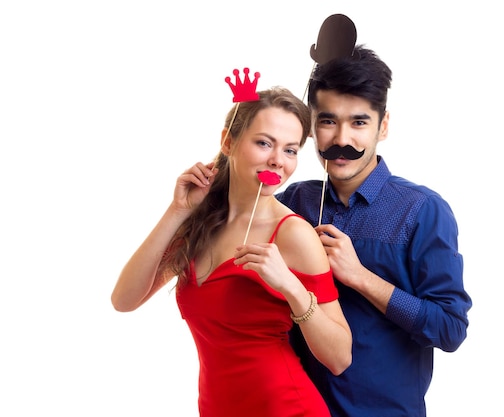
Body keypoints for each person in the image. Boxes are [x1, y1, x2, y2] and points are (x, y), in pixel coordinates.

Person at [111, 86, 352, 417]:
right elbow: (124, 300)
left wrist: (292, 288)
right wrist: (177, 210)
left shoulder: (293, 234)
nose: (277, 161)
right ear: (228, 142)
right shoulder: (199, 224)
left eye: (291, 150)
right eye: (264, 143)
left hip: (286, 408)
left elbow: (340, 358)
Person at [277, 45, 472, 417]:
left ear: (383, 126)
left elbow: (450, 328)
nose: (342, 140)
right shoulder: (293, 202)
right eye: (328, 121)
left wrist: (361, 277)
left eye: (359, 122)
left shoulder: (422, 210)